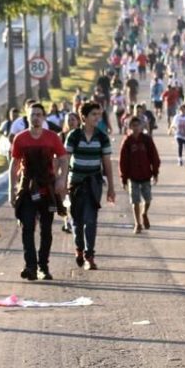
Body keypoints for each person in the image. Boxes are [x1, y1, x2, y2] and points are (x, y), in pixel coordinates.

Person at [9, 103, 69, 281]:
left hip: (47, 190)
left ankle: (43, 266)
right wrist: (12, 189)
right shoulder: (20, 138)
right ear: (27, 117)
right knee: (27, 227)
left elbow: (63, 159)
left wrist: (61, 178)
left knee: (46, 229)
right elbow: (14, 164)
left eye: (38, 115)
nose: (35, 117)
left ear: (44, 118)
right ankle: (30, 266)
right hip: (27, 189)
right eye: (32, 114)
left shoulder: (52, 138)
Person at [65, 101, 116, 270]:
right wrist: (62, 182)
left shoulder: (102, 137)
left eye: (99, 114)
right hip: (75, 184)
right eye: (94, 114)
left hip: (93, 184)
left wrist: (111, 187)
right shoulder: (74, 136)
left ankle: (90, 255)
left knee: (91, 220)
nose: (97, 118)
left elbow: (107, 163)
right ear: (84, 117)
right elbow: (65, 160)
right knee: (77, 221)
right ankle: (79, 248)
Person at [119, 116, 161, 234]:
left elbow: (154, 156)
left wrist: (155, 172)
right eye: (133, 125)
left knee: (148, 199)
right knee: (135, 200)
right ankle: (137, 223)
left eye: (137, 125)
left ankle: (144, 213)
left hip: (146, 174)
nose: (135, 128)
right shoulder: (127, 141)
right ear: (129, 127)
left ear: (141, 126)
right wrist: (123, 178)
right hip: (133, 176)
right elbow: (123, 161)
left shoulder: (147, 140)